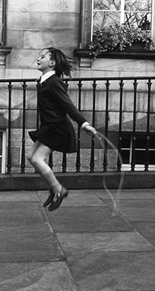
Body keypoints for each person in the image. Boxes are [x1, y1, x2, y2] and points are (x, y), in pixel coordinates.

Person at [27, 47, 97, 211]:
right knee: (30, 156)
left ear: (52, 63)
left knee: (37, 159)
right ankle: (53, 187)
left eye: (43, 56)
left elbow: (68, 106)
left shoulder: (54, 82)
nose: (38, 58)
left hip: (57, 128)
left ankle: (59, 189)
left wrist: (84, 124)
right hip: (48, 126)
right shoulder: (44, 80)